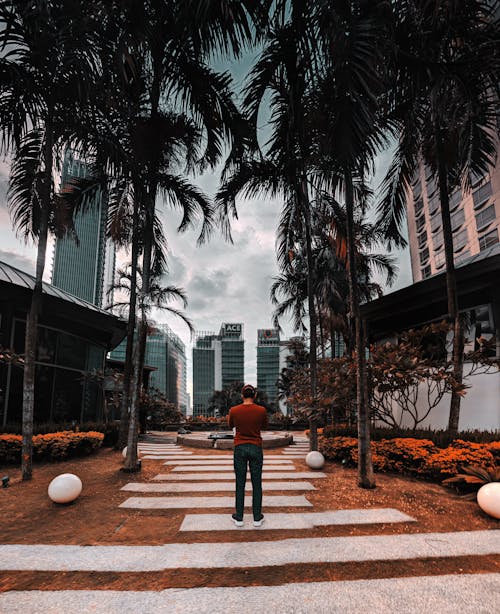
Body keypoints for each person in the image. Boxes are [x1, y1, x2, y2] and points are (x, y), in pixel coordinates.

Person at [228, 384, 268, 527]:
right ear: (254, 395)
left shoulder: (234, 410)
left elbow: (230, 425)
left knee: (240, 482)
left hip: (240, 447)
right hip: (256, 447)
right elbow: (264, 425)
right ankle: (257, 517)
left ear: (242, 395)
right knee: (257, 483)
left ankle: (239, 517)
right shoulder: (261, 410)